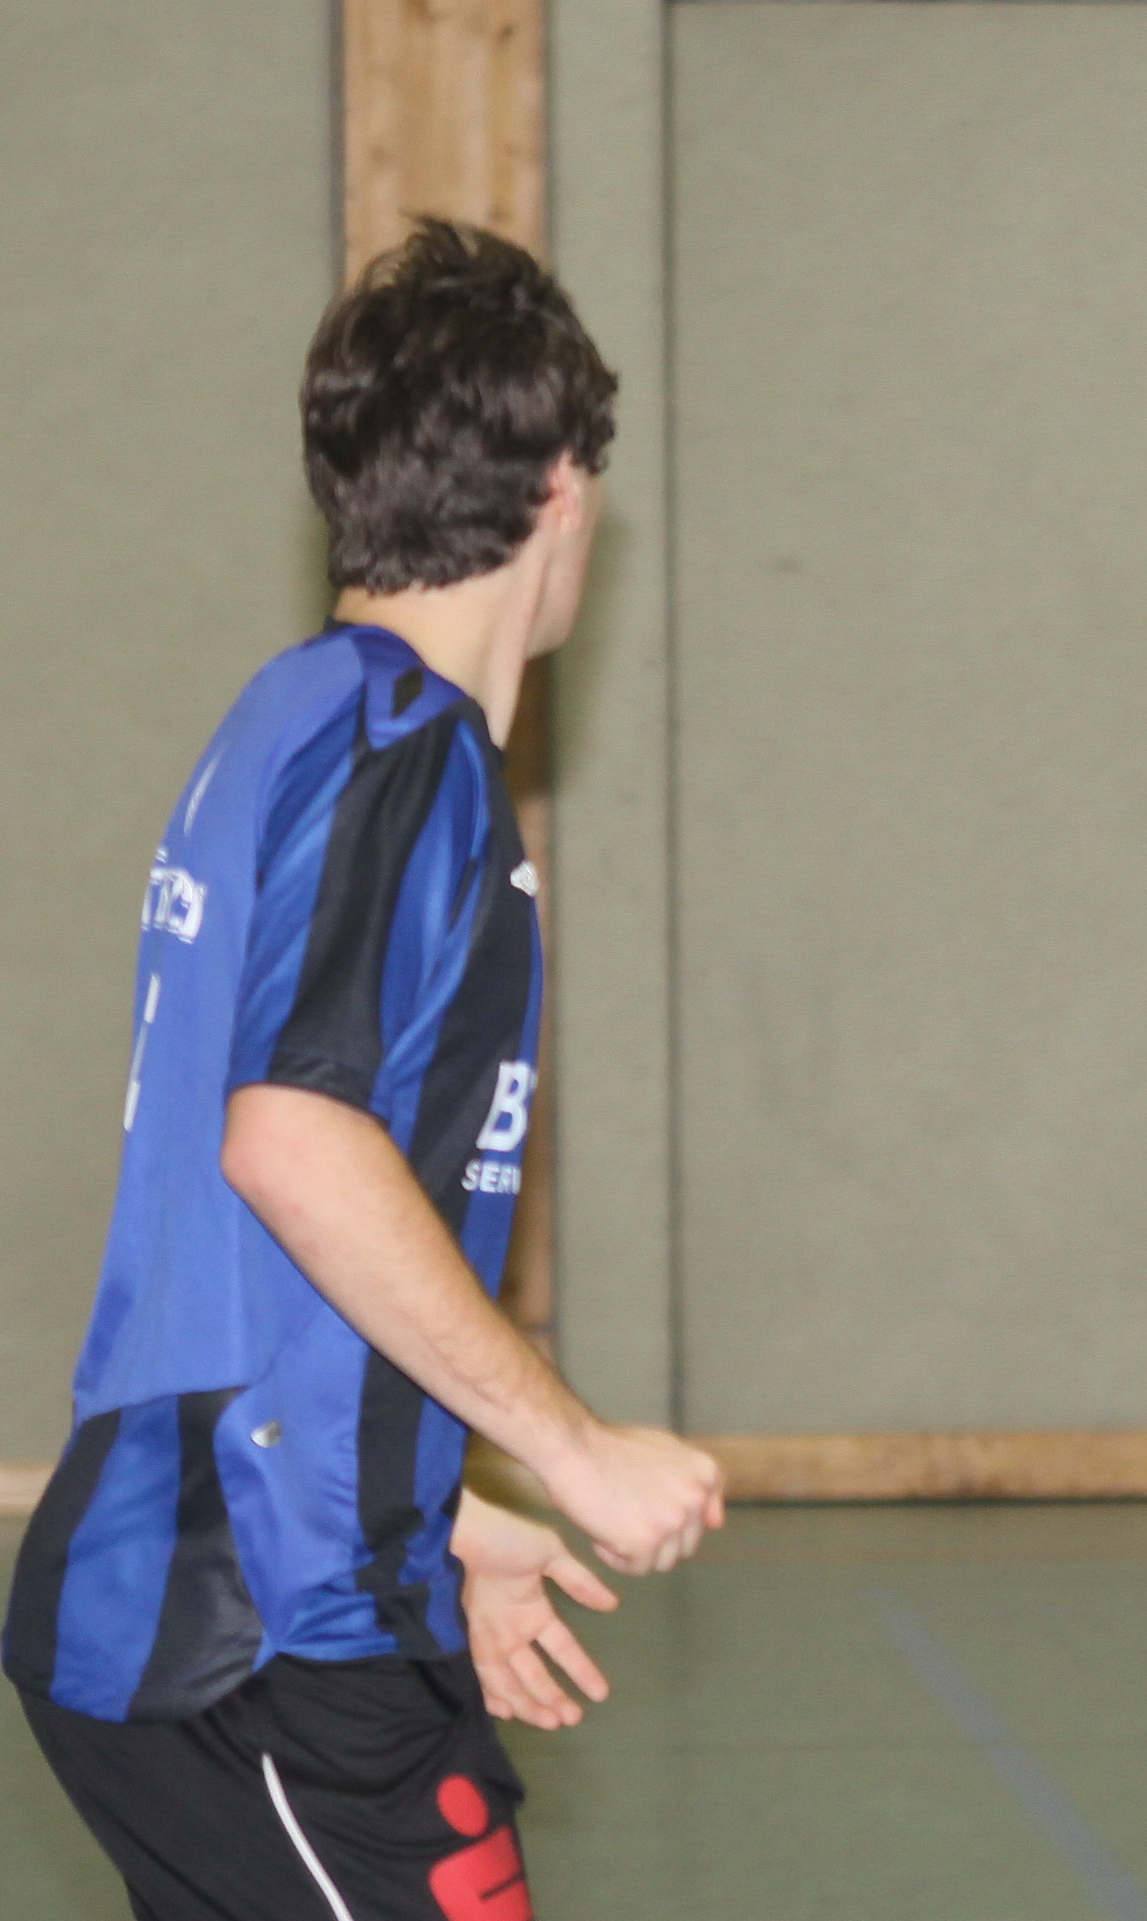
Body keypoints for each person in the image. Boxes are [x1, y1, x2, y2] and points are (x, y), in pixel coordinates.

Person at [4, 221, 725, 1921]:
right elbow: (293, 1144)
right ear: (563, 489)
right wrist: (572, 1448)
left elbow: (236, 1264)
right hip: (259, 1632)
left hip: (255, 1575)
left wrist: (439, 1515)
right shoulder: (407, 760)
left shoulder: (296, 718)